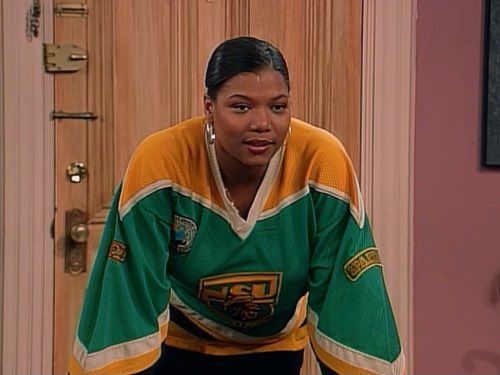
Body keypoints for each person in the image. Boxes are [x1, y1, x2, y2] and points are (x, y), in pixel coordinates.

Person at [69, 36, 405, 375]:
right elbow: (128, 294)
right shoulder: (160, 163)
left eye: (278, 106)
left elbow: (351, 300)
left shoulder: (322, 162)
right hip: (182, 345)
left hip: (275, 346)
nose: (262, 123)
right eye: (241, 107)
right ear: (209, 108)